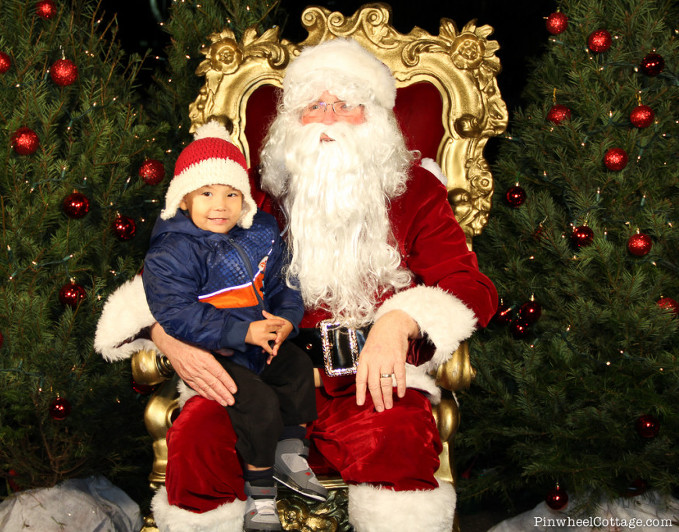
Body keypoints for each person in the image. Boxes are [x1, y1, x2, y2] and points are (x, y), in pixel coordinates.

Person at [95, 38, 497, 531]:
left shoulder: (415, 190)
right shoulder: (255, 195)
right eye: (313, 106)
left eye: (345, 104)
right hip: (254, 370)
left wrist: (401, 320)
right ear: (292, 121)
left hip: (368, 379)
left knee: (397, 436)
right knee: (198, 434)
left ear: (375, 117)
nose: (327, 118)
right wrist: (167, 338)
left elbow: (469, 285)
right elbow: (161, 274)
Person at [141, 122, 327, 531]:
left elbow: (284, 284)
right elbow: (177, 315)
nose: (219, 205)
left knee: (296, 368)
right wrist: (242, 333)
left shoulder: (260, 232)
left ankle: (290, 452)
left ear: (244, 199)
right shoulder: (173, 249)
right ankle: (260, 493)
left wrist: (285, 320)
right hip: (219, 349)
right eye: (206, 194)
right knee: (258, 403)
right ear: (184, 198)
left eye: (231, 194)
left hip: (261, 341)